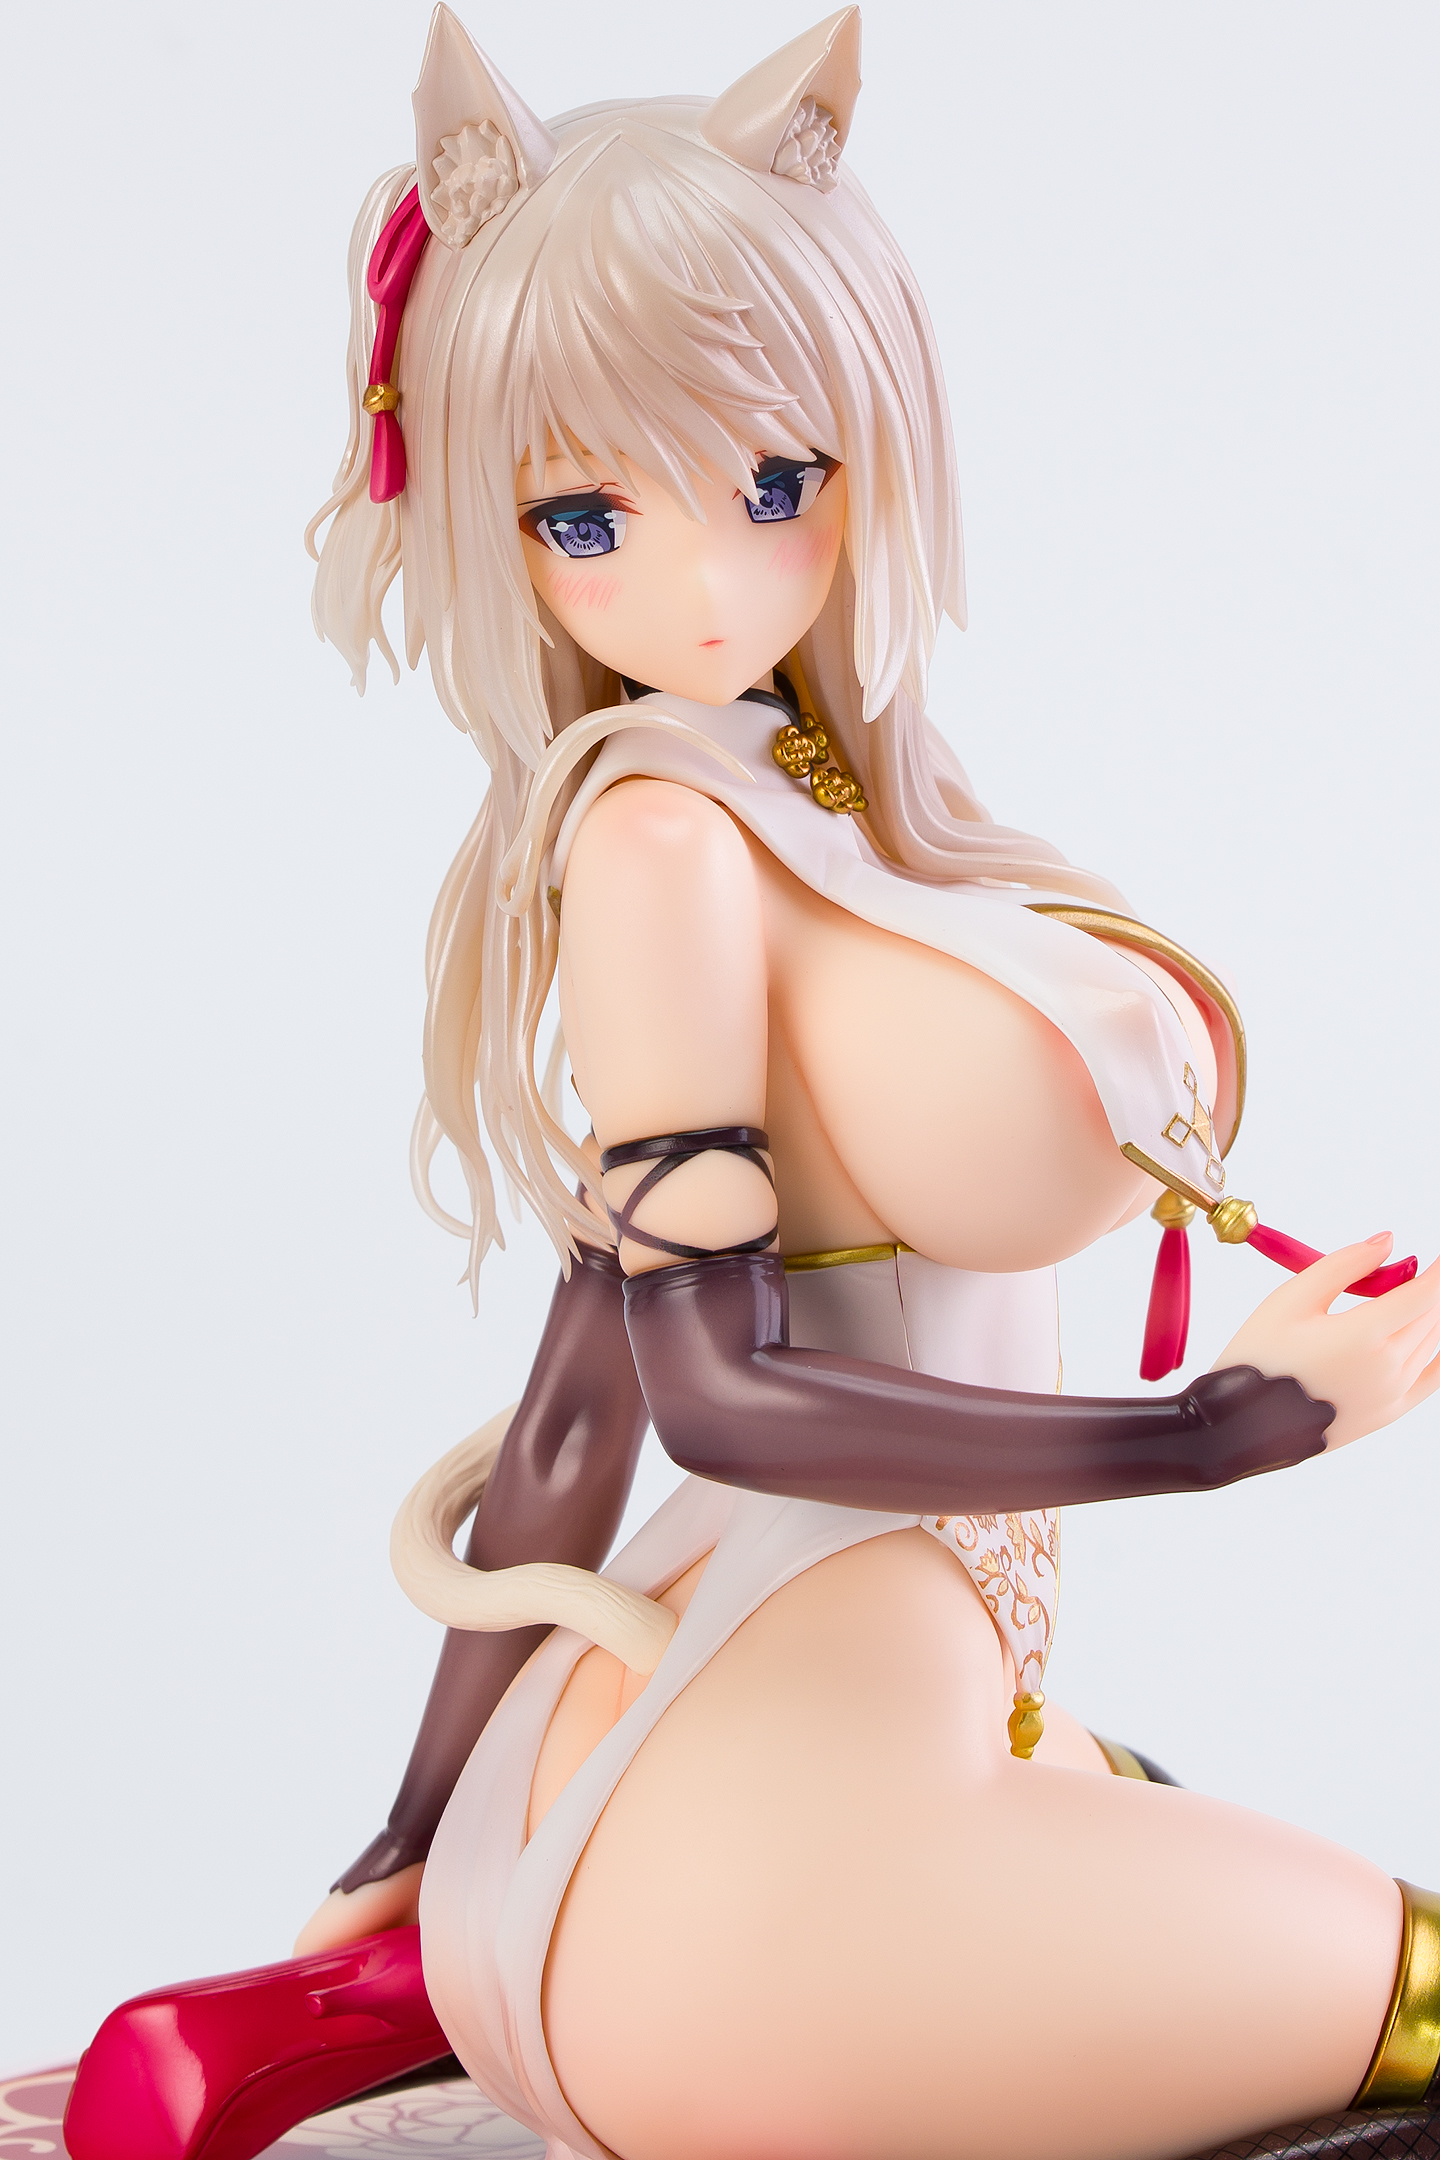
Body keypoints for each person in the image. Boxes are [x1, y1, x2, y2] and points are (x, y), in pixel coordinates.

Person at [62, 11, 1440, 2160]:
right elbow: (699, 1391)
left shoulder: (817, 794)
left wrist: (414, 1839)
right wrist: (1219, 1431)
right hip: (770, 1900)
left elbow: (577, 1391)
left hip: (758, 1794)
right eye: (587, 513)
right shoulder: (658, 842)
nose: (704, 585)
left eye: (774, 484)